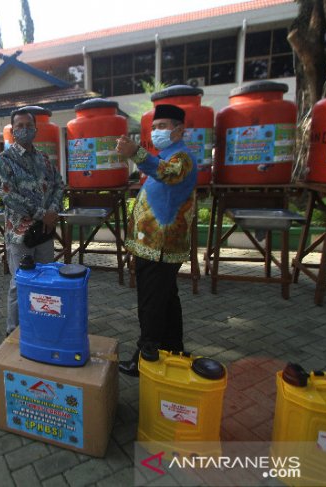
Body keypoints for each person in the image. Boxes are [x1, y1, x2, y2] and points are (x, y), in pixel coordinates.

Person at [114, 104, 197, 376]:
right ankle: (174, 349)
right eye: (155, 126)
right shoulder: (166, 155)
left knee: (150, 301)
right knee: (166, 299)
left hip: (159, 247)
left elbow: (167, 173)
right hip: (153, 246)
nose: (157, 130)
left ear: (179, 130)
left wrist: (135, 153)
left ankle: (145, 356)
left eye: (163, 125)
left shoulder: (182, 158)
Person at [0, 107, 65, 336]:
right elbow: (7, 195)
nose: (25, 130)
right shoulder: (5, 160)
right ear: (13, 131)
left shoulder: (43, 159)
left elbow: (58, 185)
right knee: (21, 282)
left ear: (35, 128)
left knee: (46, 278)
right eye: (19, 126)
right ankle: (13, 331)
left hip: (44, 231)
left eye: (28, 125)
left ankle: (43, 323)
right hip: (20, 234)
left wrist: (53, 211)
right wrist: (41, 213)